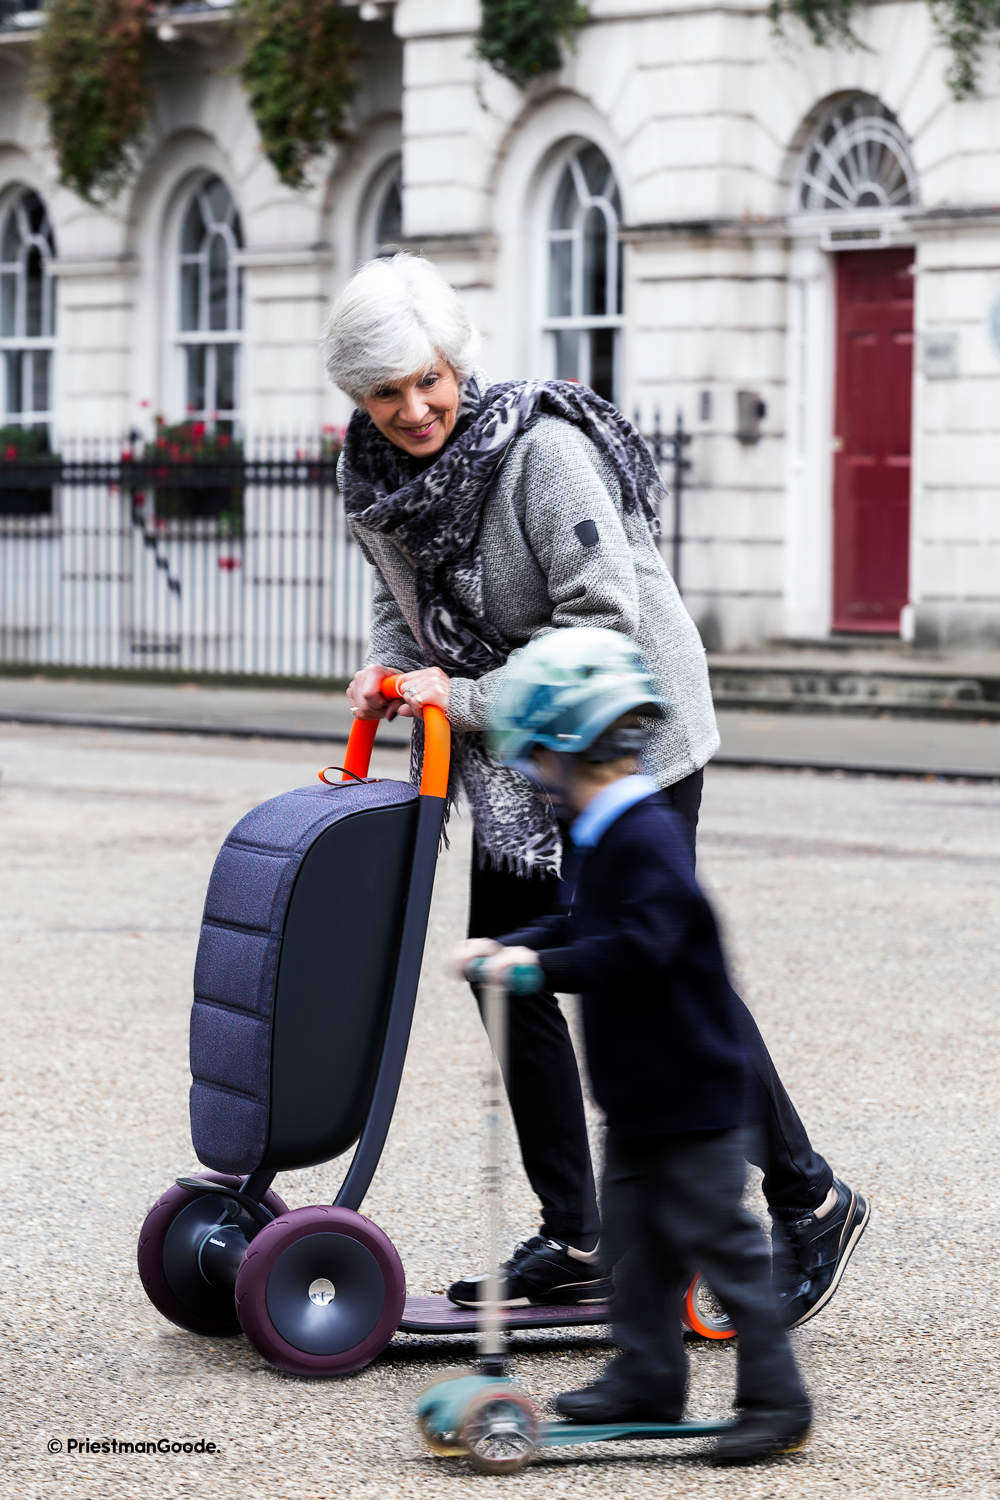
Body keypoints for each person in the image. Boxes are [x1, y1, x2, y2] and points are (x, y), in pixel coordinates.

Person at [321, 251, 869, 1326]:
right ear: (358, 395)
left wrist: (459, 697)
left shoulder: (544, 454)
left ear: (454, 365)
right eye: (387, 392)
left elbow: (603, 628)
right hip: (519, 755)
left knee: (655, 970)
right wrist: (389, 675)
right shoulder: (372, 475)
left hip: (628, 731)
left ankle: (809, 1197)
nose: (414, 407)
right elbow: (403, 604)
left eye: (428, 379)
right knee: (507, 972)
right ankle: (578, 1234)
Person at [453, 627, 812, 1465]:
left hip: (694, 1098)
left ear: (576, 750)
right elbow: (579, 922)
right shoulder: (599, 832)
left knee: (720, 1243)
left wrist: (537, 967)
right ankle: (648, 1374)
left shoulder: (645, 837)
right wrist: (509, 944)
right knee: (636, 1249)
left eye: (540, 759)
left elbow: (639, 948)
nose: (535, 778)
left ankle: (775, 1398)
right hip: (641, 1097)